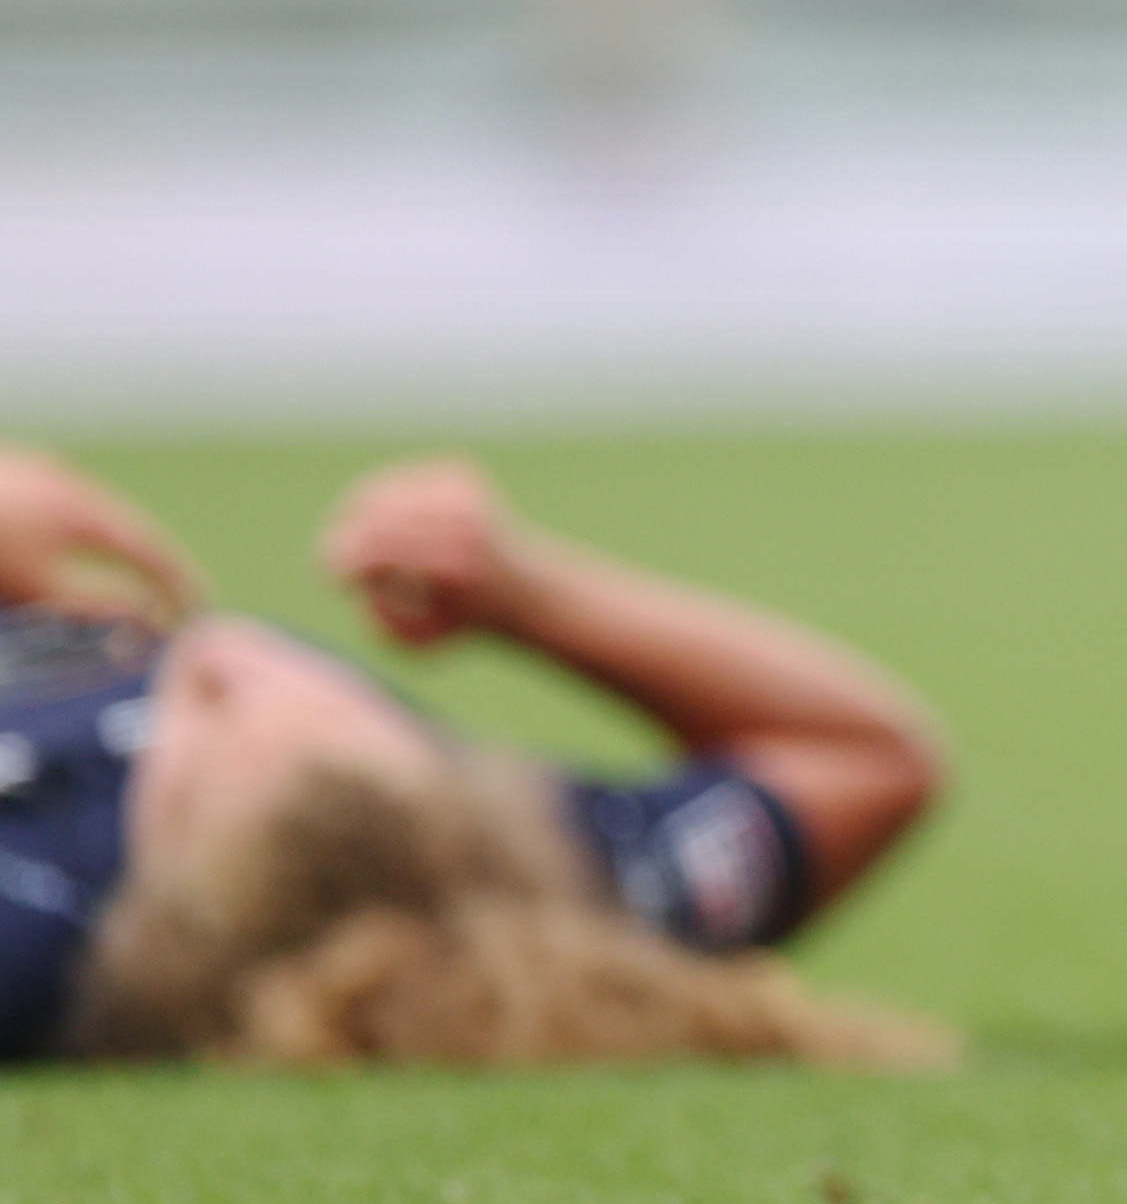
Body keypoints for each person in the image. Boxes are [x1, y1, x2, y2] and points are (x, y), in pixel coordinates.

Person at [0, 447, 943, 1070]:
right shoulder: (547, 878)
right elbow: (865, 755)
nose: (219, 651)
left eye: (200, 714)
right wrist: (524, 594)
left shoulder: (39, 929)